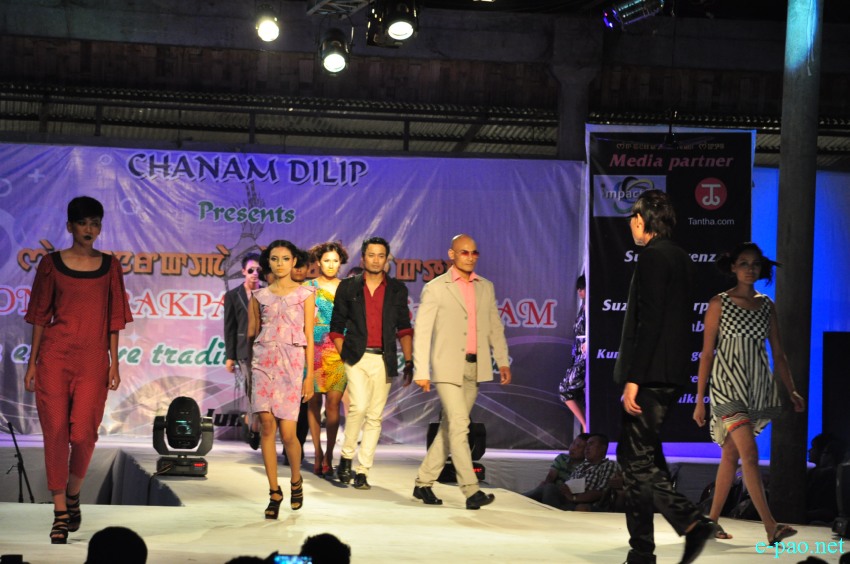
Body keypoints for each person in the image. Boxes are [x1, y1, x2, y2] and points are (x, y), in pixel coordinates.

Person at [24, 196, 133, 544]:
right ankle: (60, 512)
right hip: (54, 357)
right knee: (55, 431)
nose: (89, 229)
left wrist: (114, 362)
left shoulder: (110, 266)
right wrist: (32, 362)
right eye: (83, 222)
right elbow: (40, 315)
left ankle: (73, 492)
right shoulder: (51, 264)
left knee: (84, 434)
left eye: (95, 223)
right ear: (70, 226)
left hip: (92, 360)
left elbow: (115, 318)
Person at [613, 190, 714, 564]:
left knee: (636, 462)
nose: (630, 226)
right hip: (669, 372)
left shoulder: (653, 257)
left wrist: (635, 377)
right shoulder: (681, 257)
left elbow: (651, 321)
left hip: (652, 375)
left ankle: (690, 522)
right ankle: (642, 551)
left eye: (632, 219)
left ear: (642, 220)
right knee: (641, 461)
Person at [693, 242, 806, 543]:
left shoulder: (766, 305)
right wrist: (699, 399)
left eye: (755, 264)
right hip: (727, 386)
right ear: (733, 267)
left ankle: (710, 522)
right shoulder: (719, 303)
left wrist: (792, 390)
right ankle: (771, 525)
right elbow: (707, 354)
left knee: (731, 454)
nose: (750, 269)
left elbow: (779, 353)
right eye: (743, 263)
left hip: (755, 388)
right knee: (750, 455)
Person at [411, 234, 511, 510]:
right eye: (464, 252)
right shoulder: (436, 288)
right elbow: (423, 332)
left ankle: (423, 482)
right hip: (446, 366)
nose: (470, 257)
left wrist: (502, 361)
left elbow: (494, 326)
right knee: (459, 424)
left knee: (451, 427)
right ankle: (471, 489)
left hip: (475, 366)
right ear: (452, 254)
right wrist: (421, 370)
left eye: (474, 252)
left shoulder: (485, 287)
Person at [329, 237, 413, 489]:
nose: (376, 260)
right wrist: (345, 355)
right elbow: (336, 327)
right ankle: (346, 458)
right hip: (355, 356)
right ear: (363, 258)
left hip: (384, 358)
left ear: (386, 259)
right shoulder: (348, 287)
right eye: (371, 255)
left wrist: (409, 361)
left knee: (375, 416)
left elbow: (404, 327)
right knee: (358, 407)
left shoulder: (397, 289)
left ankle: (363, 470)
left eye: (381, 256)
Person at [248, 240, 315, 519]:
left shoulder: (305, 294)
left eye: (285, 259)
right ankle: (274, 492)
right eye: (274, 259)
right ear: (269, 263)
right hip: (263, 364)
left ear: (294, 261)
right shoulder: (259, 296)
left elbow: (309, 335)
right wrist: (248, 373)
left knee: (289, 434)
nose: (280, 264)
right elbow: (252, 333)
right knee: (267, 427)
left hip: (291, 365)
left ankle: (296, 479)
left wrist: (309, 376)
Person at [305, 241, 349, 477]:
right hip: (313, 349)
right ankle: (317, 451)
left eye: (335, 261)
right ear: (318, 262)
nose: (331, 265)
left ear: (340, 263)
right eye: (326, 260)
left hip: (338, 350)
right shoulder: (308, 287)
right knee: (313, 403)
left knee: (333, 404)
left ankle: (330, 453)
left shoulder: (348, 287)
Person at [224, 252, 263, 450]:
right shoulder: (233, 295)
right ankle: (254, 426)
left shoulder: (269, 293)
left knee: (262, 390)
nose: (255, 273)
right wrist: (229, 356)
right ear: (243, 272)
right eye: (251, 270)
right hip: (243, 349)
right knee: (251, 388)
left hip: (266, 349)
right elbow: (229, 327)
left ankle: (253, 422)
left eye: (258, 270)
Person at [553, 433, 622, 511]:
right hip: (569, 501)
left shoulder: (609, 465)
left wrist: (573, 498)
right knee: (549, 489)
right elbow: (568, 486)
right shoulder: (582, 465)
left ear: (603, 448)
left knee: (580, 508)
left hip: (592, 506)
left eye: (591, 444)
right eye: (586, 445)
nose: (587, 448)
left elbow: (600, 492)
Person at [524, 432, 590, 505]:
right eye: (573, 443)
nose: (573, 448)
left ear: (586, 450)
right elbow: (551, 476)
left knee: (548, 488)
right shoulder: (562, 458)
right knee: (546, 488)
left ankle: (521, 498)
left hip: (567, 496)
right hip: (552, 490)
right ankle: (521, 498)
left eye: (579, 446)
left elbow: (575, 489)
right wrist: (546, 484)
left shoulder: (586, 467)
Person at [559, 274, 588, 432]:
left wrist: (589, 341)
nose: (579, 291)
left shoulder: (592, 307)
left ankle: (586, 425)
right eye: (578, 289)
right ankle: (586, 425)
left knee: (566, 389)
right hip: (577, 355)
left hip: (585, 356)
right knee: (573, 392)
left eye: (582, 288)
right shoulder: (583, 306)